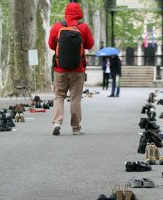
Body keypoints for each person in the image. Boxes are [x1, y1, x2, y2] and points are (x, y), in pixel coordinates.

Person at [48, 1, 94, 136]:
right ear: (79, 13)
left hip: (60, 69)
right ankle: (76, 128)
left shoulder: (57, 27)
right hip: (78, 70)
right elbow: (90, 44)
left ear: (66, 12)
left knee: (59, 96)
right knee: (75, 98)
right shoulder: (83, 27)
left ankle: (57, 122)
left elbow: (51, 45)